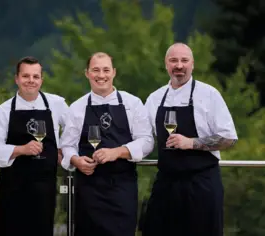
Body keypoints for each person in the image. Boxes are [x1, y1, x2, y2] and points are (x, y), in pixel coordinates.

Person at [142, 43, 238, 236]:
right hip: (166, 184)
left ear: (192, 64)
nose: (179, 65)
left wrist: (192, 142)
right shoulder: (155, 98)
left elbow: (229, 138)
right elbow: (144, 138)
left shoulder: (209, 95)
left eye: (184, 60)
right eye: (174, 60)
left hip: (202, 184)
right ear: (166, 64)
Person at [60, 52, 154, 236]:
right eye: (95, 70)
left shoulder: (132, 103)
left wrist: (117, 152)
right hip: (88, 189)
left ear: (114, 73)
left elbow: (147, 141)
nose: (101, 75)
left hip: (122, 188)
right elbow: (67, 145)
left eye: (105, 70)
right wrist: (76, 160)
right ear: (87, 73)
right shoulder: (77, 108)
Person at [0, 56, 68, 236]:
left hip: (45, 187)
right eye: (26, 76)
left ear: (41, 79)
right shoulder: (3, 111)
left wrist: (62, 148)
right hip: (13, 188)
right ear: (16, 79)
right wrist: (20, 149)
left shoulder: (57, 104)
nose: (31, 81)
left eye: (35, 76)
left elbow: (74, 131)